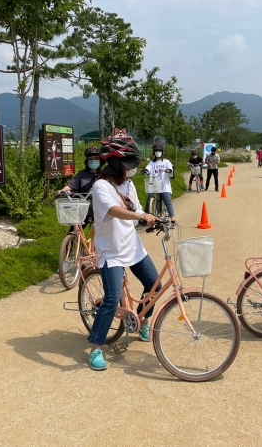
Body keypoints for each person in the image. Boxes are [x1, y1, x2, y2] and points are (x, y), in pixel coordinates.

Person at [86, 138, 160, 371]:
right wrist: (140, 216)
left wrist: (151, 217)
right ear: (116, 164)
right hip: (112, 251)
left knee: (155, 285)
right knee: (112, 297)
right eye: (129, 164)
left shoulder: (128, 184)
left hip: (133, 247)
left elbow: (136, 208)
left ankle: (142, 320)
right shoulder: (101, 186)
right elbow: (114, 210)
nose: (133, 168)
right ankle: (95, 347)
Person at [58, 145, 103, 227]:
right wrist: (62, 191)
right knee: (74, 229)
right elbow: (71, 185)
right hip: (83, 207)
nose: (93, 161)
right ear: (87, 162)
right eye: (91, 160)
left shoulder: (104, 175)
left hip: (99, 207)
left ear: (100, 161)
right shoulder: (82, 174)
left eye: (96, 159)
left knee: (99, 231)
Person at [144, 143, 175, 220]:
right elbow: (148, 168)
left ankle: (173, 218)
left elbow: (170, 169)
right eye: (156, 151)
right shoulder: (151, 163)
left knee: (167, 201)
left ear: (162, 152)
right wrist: (145, 170)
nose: (158, 152)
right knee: (149, 201)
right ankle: (146, 218)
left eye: (159, 151)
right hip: (154, 185)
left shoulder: (166, 162)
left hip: (164, 185)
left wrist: (168, 170)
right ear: (154, 152)